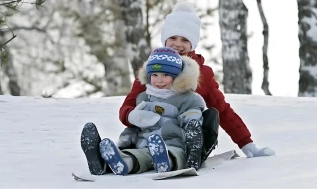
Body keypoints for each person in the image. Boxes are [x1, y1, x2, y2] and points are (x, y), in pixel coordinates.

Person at [118, 1, 275, 167]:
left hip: (182, 136)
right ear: (165, 38)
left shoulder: (202, 73)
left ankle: (190, 152)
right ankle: (120, 160)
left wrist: (246, 142)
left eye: (185, 40)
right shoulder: (152, 68)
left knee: (211, 114)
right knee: (136, 141)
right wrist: (131, 115)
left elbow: (223, 111)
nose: (178, 44)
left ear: (193, 43)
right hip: (152, 133)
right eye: (173, 38)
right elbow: (130, 103)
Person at [81, 47, 206, 175]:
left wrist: (193, 127)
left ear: (176, 75)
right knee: (137, 156)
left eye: (165, 75)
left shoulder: (187, 98)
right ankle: (116, 163)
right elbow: (136, 127)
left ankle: (165, 161)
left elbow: (192, 120)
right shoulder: (144, 98)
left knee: (176, 155)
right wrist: (126, 139)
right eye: (155, 75)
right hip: (145, 145)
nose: (159, 80)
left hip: (175, 144)